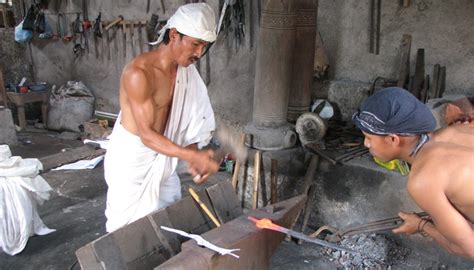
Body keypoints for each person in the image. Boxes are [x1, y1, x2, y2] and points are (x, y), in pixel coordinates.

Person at [104, 3, 220, 232]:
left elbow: (189, 120)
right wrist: (189, 155)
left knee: (168, 221)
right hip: (132, 162)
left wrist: (194, 155)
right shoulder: (139, 73)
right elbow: (147, 135)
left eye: (203, 46)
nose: (199, 53)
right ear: (174, 35)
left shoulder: (185, 72)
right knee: (128, 232)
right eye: (195, 44)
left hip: (164, 158)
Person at [352, 87, 474, 259]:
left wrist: (421, 225)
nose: (366, 144)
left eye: (369, 138)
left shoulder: (423, 180)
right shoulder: (460, 129)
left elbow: (468, 248)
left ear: (393, 139)